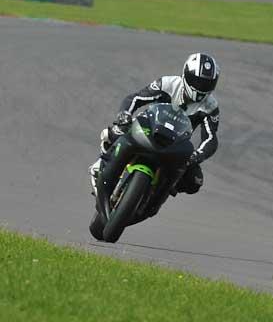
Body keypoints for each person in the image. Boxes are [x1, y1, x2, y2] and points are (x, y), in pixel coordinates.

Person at [88, 53, 221, 207]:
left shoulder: (210, 106)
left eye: (206, 84)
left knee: (194, 181)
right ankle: (102, 162)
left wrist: (198, 155)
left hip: (176, 143)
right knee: (118, 130)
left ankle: (161, 190)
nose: (201, 87)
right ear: (186, 75)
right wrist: (124, 114)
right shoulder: (168, 84)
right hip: (148, 127)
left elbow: (211, 138)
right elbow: (136, 98)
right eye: (197, 81)